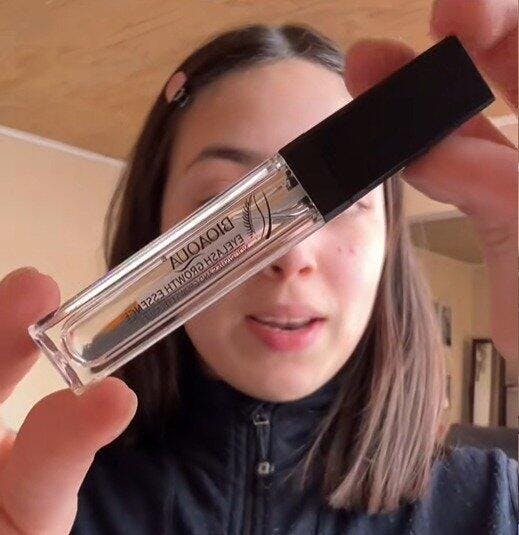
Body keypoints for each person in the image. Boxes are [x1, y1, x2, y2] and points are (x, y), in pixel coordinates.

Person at [0, 1, 517, 533]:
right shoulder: (46, 501)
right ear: (155, 225)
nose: (289, 257)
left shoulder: (493, 504)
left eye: (344, 201)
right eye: (225, 205)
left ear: (390, 241)